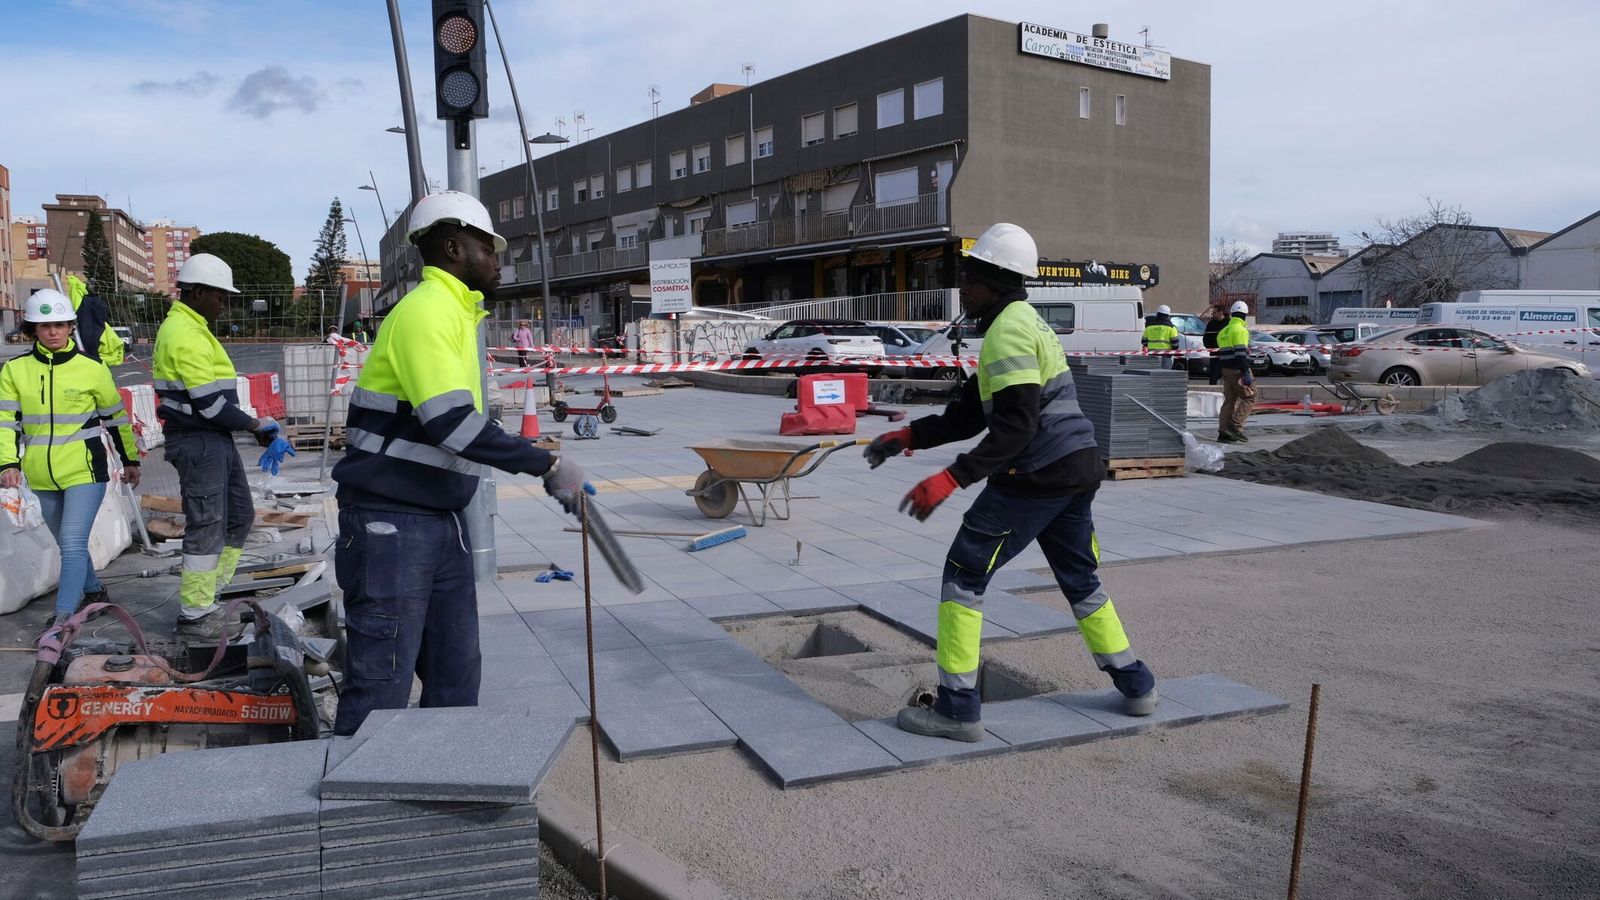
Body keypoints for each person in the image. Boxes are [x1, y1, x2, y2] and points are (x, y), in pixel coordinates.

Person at [864, 223, 1157, 742]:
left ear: (997, 280)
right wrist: (907, 435)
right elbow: (971, 414)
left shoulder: (1006, 332)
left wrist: (950, 479)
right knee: (1082, 581)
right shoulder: (1025, 323)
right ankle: (1136, 683)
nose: (963, 289)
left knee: (963, 575)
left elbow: (1016, 427)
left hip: (1036, 475)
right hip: (1076, 469)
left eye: (970, 278)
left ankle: (956, 709)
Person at [330, 191, 592, 736]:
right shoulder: (427, 312)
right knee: (382, 684)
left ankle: (444, 781)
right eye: (489, 249)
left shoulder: (452, 315)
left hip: (434, 521)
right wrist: (543, 464)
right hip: (391, 524)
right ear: (453, 247)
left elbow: (455, 427)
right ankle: (357, 809)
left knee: (454, 673)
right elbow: (450, 424)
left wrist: (536, 460)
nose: (499, 263)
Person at [152, 253, 282, 641]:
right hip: (197, 441)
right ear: (195, 292)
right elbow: (208, 405)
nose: (224, 302)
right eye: (219, 295)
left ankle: (210, 595)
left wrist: (249, 428)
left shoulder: (194, 328)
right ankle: (194, 613)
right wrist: (256, 425)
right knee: (207, 525)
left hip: (212, 439)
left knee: (239, 516)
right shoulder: (185, 334)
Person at [0, 290, 140, 630]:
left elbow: (117, 418)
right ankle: (93, 591)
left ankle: (63, 618)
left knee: (73, 543)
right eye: (44, 325)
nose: (53, 332)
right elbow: (5, 423)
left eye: (60, 324)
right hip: (40, 473)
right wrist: (8, 463)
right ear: (32, 329)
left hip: (85, 471)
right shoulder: (14, 370)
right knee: (66, 541)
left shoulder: (91, 368)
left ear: (69, 327)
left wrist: (130, 459)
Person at [1216, 300, 1255, 443]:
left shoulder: (1223, 331)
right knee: (1250, 396)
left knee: (1229, 399)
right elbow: (1240, 353)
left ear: (1232, 314)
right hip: (1238, 370)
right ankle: (1235, 428)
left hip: (1226, 369)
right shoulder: (1240, 330)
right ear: (1245, 315)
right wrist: (1246, 372)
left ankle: (1223, 432)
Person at [1141, 304, 1180, 369]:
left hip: (1152, 355)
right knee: (1164, 375)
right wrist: (1172, 352)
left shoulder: (1149, 326)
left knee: (1153, 374)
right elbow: (1175, 343)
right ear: (1168, 315)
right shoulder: (1171, 327)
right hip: (1166, 355)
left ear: (1157, 313)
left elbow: (1144, 341)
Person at [1203, 305, 1227, 385]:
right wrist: (1211, 348)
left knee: (1227, 376)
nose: (1212, 314)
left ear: (1221, 312)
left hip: (1226, 355)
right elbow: (1206, 338)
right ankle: (1212, 391)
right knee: (1213, 376)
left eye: (1214, 312)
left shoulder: (1228, 323)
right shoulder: (1210, 324)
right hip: (1214, 355)